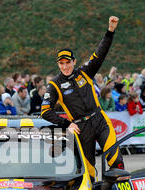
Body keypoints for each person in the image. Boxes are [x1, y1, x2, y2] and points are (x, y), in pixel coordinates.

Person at [41, 16, 125, 179]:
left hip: (100, 120)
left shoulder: (85, 72)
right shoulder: (54, 84)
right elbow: (45, 111)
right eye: (61, 63)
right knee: (89, 173)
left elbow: (100, 54)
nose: (65, 66)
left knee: (116, 162)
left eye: (68, 62)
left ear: (74, 61)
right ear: (58, 64)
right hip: (81, 128)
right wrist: (67, 124)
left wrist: (110, 31)